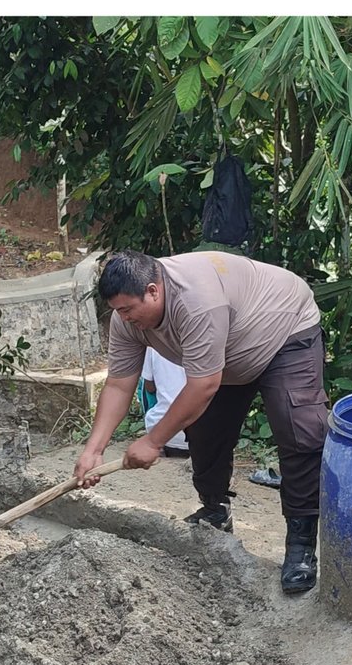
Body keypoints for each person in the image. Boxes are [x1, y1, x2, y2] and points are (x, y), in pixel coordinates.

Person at [73, 249, 329, 595]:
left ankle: (300, 544)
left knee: (297, 428)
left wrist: (152, 442)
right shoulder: (127, 320)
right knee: (204, 429)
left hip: (284, 328)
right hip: (228, 353)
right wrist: (94, 449)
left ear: (153, 290)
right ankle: (215, 511)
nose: (124, 318)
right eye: (118, 311)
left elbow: (204, 384)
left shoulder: (197, 302)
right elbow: (119, 383)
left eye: (129, 309)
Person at [139, 348, 189, 457]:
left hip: (163, 436)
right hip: (205, 434)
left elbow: (149, 387)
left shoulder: (153, 343)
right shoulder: (206, 338)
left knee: (145, 383)